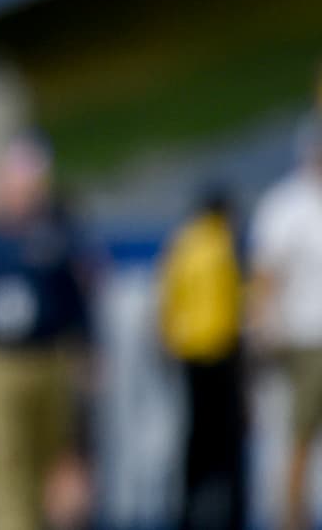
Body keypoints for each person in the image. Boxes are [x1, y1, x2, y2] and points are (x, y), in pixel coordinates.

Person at [0, 133, 95, 530]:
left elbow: (74, 298)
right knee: (5, 460)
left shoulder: (57, 234)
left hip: (49, 356)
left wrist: (86, 354)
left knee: (52, 461)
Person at [157, 185, 246, 530]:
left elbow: (168, 295)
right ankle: (231, 514)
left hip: (189, 351)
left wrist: (167, 338)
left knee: (194, 437)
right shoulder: (223, 243)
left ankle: (186, 513)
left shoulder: (183, 242)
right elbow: (236, 297)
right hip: (221, 350)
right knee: (227, 442)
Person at [248, 115, 322, 530]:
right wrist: (263, 328)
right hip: (305, 340)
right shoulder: (287, 205)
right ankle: (292, 521)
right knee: (300, 439)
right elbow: (266, 275)